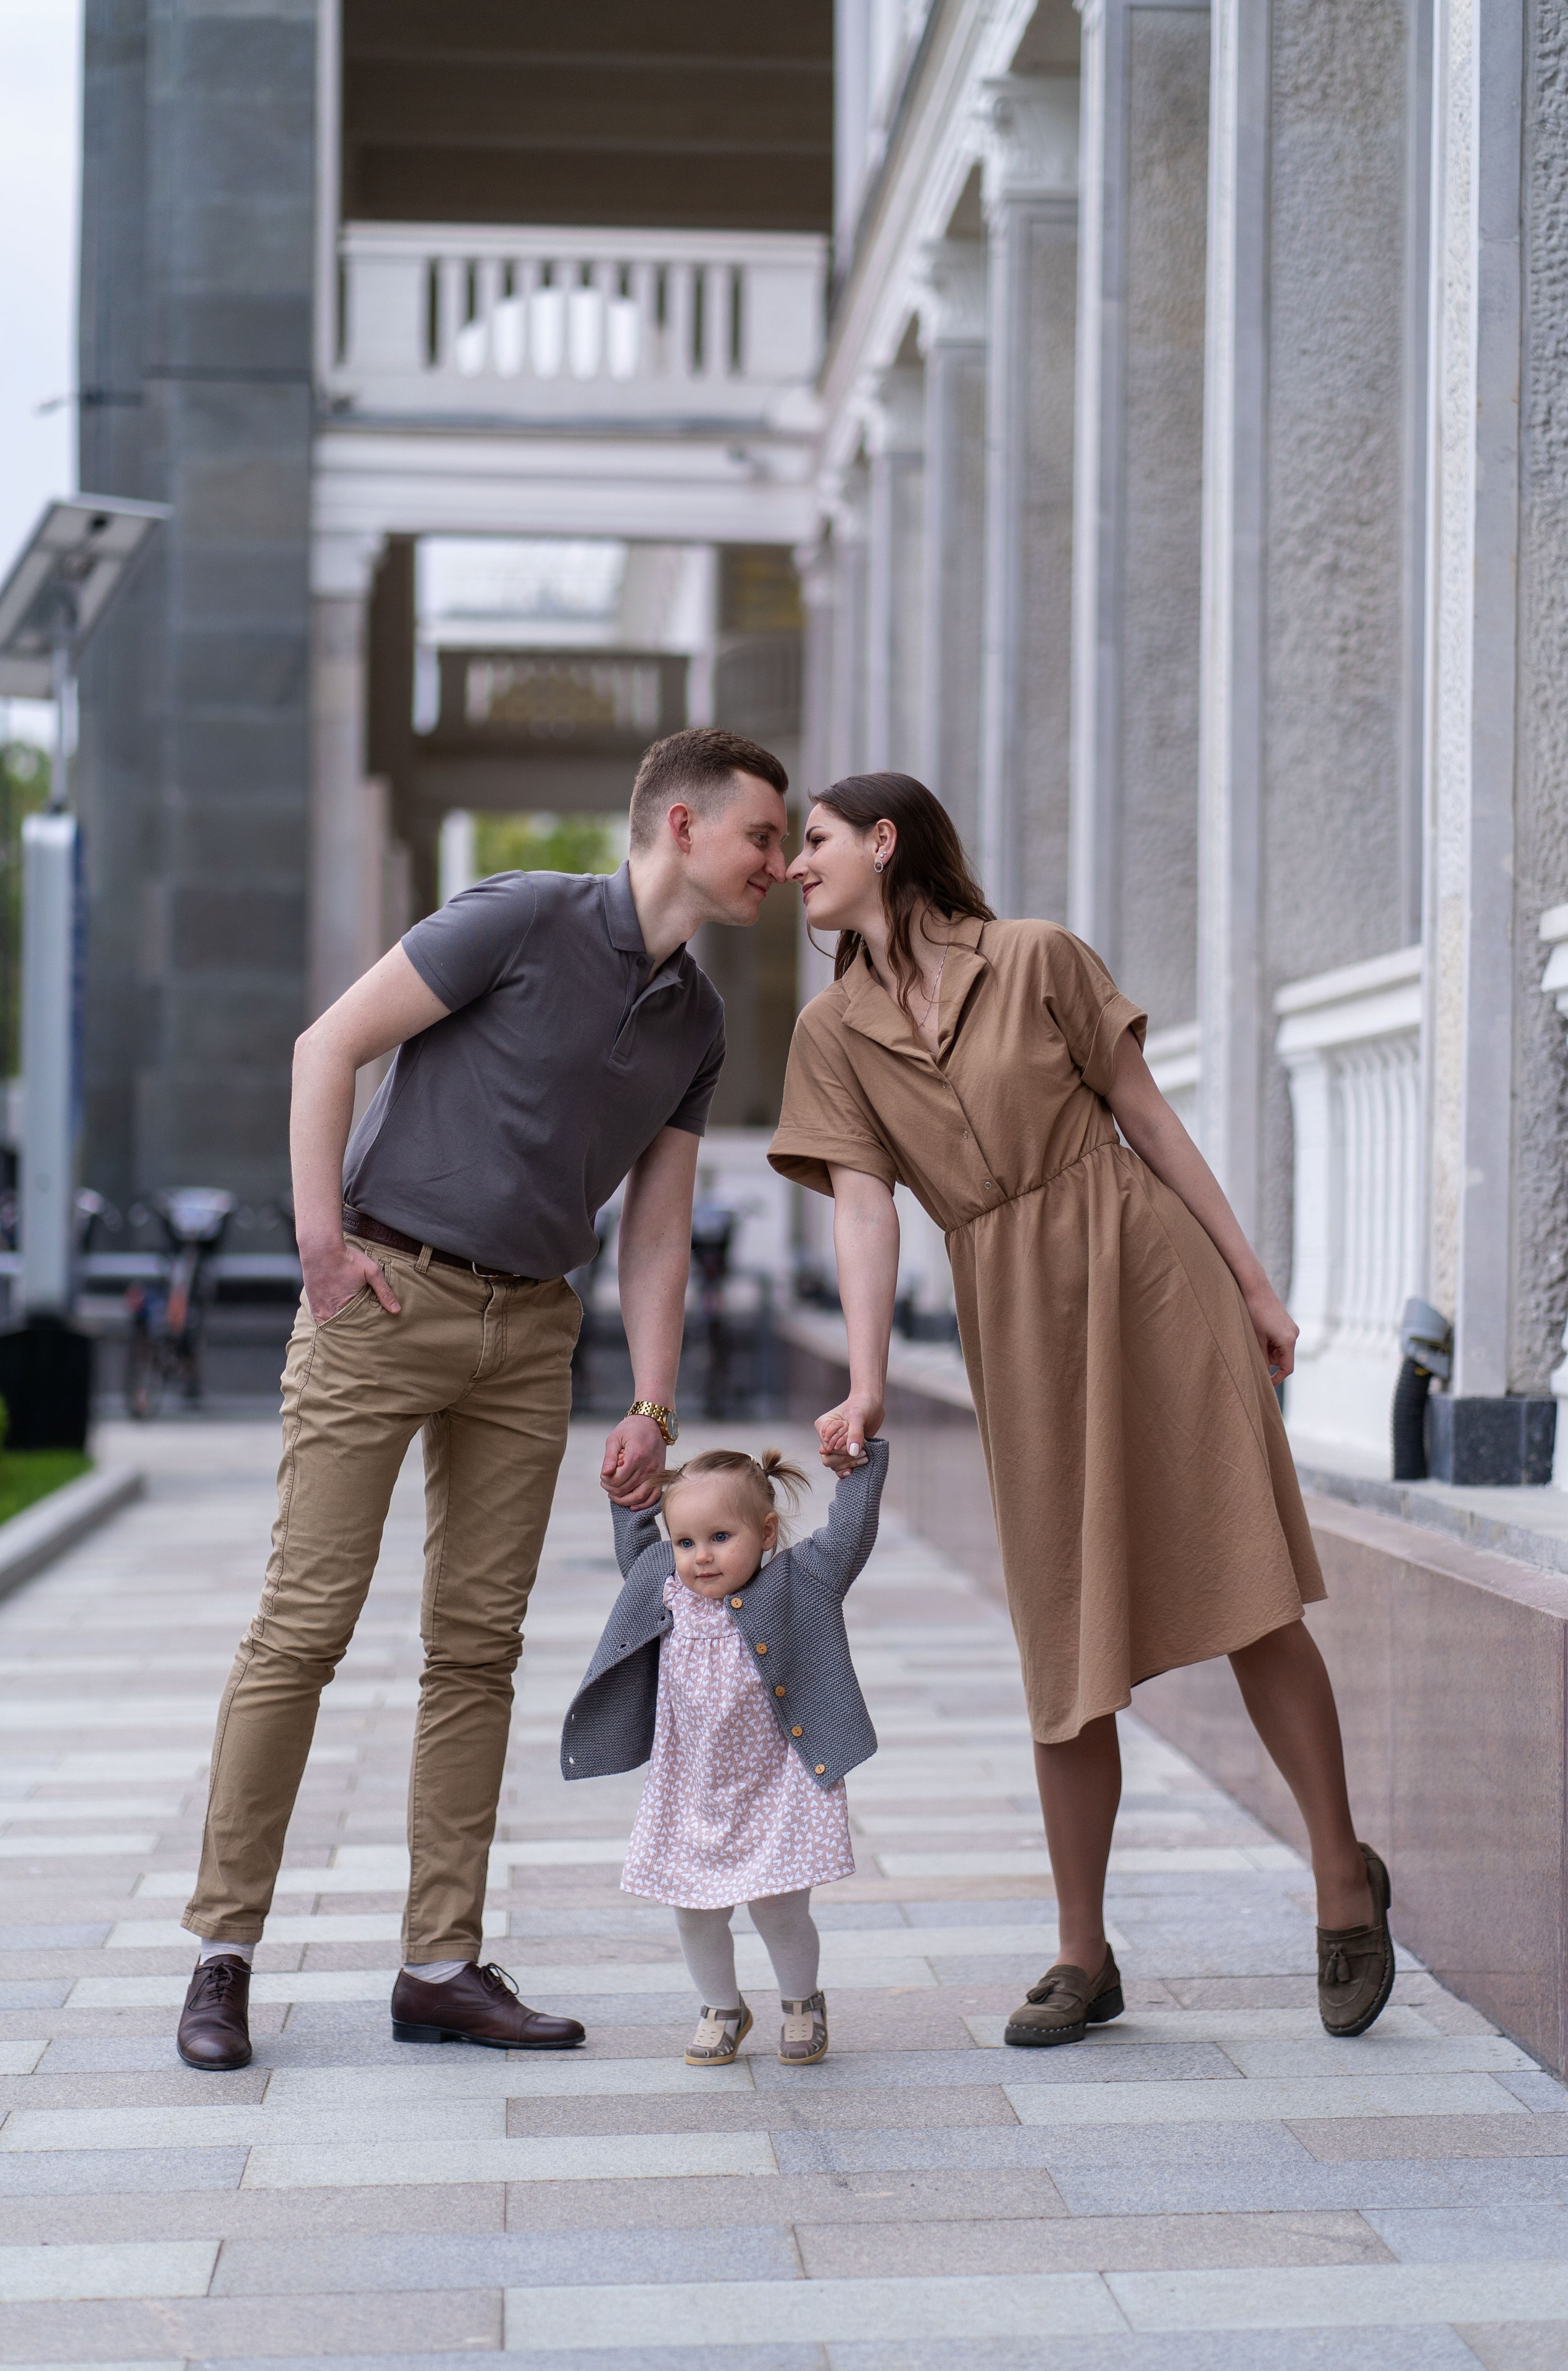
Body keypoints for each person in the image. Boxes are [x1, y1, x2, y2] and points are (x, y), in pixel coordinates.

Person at [175, 727, 791, 2073]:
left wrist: (653, 1403)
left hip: (531, 1339)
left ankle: (439, 1965)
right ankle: (221, 1954)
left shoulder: (696, 1016)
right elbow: (324, 1047)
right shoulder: (520, 918)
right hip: (384, 1300)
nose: (780, 863)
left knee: (475, 1651)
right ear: (679, 827)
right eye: (761, 835)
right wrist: (323, 1249)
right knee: (305, 1624)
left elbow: (658, 1227)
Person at [767, 772, 1395, 2048]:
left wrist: (1255, 1283)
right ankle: (1080, 1953)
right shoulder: (828, 1033)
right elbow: (865, 1210)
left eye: (816, 841)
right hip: (1017, 1322)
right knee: (1062, 1639)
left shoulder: (1038, 958)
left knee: (1245, 1589)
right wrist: (868, 1375)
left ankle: (1340, 1880)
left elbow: (1147, 1121)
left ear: (884, 843)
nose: (794, 866)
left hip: (1145, 1276)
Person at [560, 1441, 889, 2067]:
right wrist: (625, 1492)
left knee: (780, 1907)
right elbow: (635, 1535)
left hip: (778, 1785)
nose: (700, 1556)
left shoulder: (802, 1581)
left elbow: (850, 1533)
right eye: (685, 1542)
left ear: (766, 1533)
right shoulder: (662, 1587)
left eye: (719, 1537)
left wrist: (858, 1466)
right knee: (694, 1912)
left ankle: (801, 2004)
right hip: (693, 1790)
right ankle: (721, 2007)